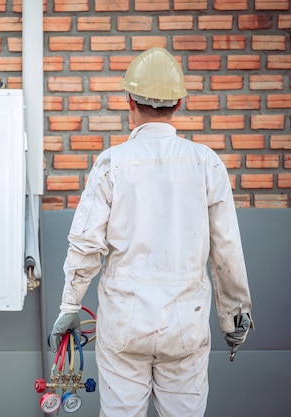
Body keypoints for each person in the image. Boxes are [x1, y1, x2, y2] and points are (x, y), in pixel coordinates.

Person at [48, 47, 254, 417]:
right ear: (178, 102)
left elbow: (85, 244)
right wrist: (234, 316)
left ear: (130, 99)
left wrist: (69, 305)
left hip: (124, 324)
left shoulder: (112, 163)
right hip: (185, 323)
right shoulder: (206, 163)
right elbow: (227, 251)